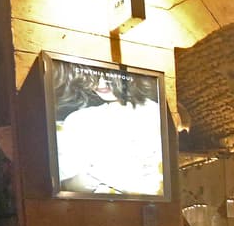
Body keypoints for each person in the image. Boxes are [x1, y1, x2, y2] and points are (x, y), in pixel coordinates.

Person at [53, 62, 164, 196]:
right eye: (92, 77)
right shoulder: (80, 120)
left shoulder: (155, 112)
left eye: (108, 77)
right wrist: (94, 176)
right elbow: (64, 184)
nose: (100, 84)